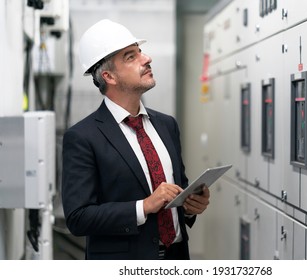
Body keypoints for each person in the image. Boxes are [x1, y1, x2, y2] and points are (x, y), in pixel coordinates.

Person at [61, 19, 210, 260]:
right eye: (131, 57)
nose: (146, 58)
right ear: (109, 76)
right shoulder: (82, 137)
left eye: (140, 52)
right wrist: (143, 206)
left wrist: (191, 207)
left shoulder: (166, 125)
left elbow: (176, 191)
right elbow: (78, 218)